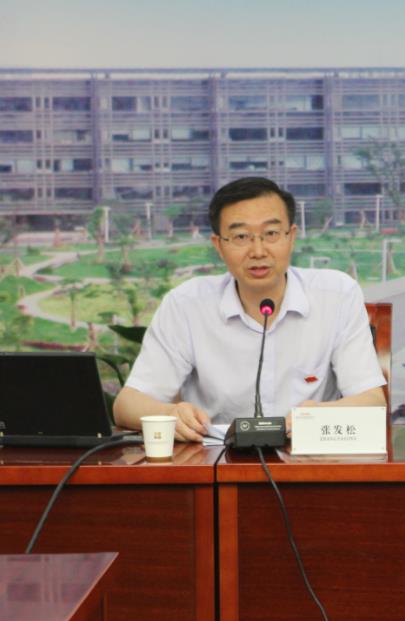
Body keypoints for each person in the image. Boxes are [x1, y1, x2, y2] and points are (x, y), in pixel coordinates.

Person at [114, 177, 386, 441]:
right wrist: (170, 414)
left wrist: (319, 416)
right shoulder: (186, 305)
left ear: (291, 237)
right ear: (219, 245)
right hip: (217, 461)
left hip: (309, 459)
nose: (258, 251)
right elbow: (127, 405)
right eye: (241, 236)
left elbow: (372, 401)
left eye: (271, 234)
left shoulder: (337, 295)